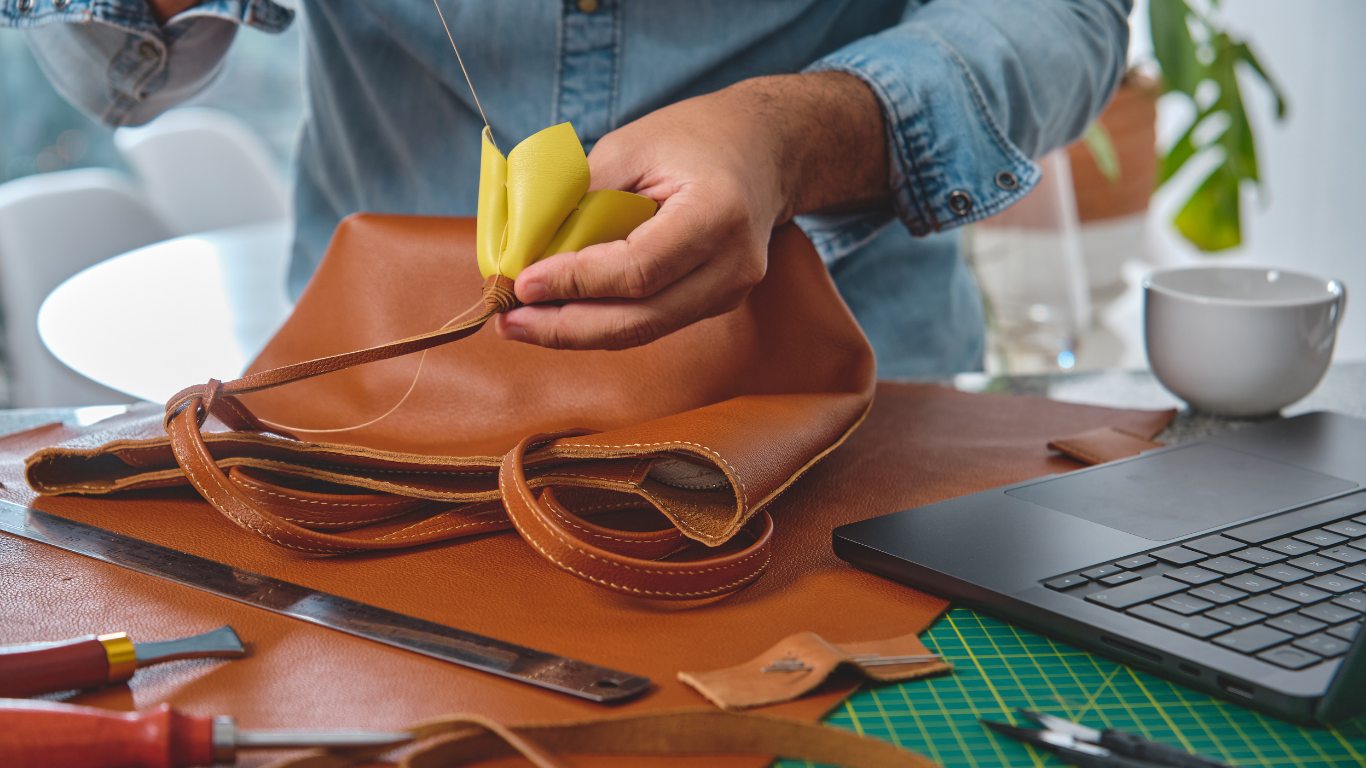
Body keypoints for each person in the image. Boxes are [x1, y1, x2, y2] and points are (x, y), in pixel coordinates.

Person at [7, 0, 1130, 377]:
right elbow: (101, 68)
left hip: (839, 421)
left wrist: (795, 135)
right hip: (377, 418)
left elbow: (1068, 20)